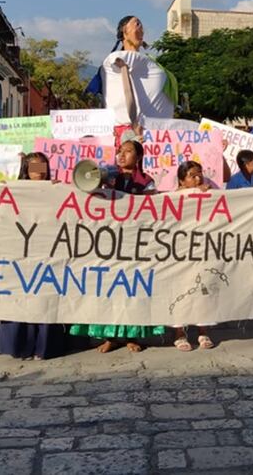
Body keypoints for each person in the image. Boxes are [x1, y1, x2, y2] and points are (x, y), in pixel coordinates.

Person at [69, 139, 165, 352]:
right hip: (108, 242)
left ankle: (132, 336)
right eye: (120, 151)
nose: (122, 155)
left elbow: (151, 208)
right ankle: (110, 335)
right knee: (110, 289)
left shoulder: (146, 181)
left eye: (128, 151)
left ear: (139, 157)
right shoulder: (107, 176)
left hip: (134, 242)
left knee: (132, 289)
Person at [0, 152, 67, 361]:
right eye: (34, 166)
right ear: (26, 169)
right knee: (20, 296)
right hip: (20, 250)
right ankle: (20, 345)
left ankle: (45, 346)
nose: (39, 171)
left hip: (47, 249)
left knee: (44, 298)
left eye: (42, 166)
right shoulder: (16, 190)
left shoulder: (57, 189)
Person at [88, 15, 177, 133]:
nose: (142, 29)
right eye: (137, 24)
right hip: (132, 131)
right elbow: (127, 91)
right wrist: (134, 121)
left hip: (158, 136)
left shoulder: (150, 61)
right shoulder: (119, 57)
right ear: (124, 31)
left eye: (142, 26)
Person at [172, 161, 217, 351]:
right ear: (182, 181)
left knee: (203, 288)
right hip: (179, 251)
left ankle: (203, 331)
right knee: (179, 291)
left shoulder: (210, 194)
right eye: (192, 175)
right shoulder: (172, 198)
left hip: (202, 249)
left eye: (200, 173)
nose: (198, 178)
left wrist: (206, 196)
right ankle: (180, 334)